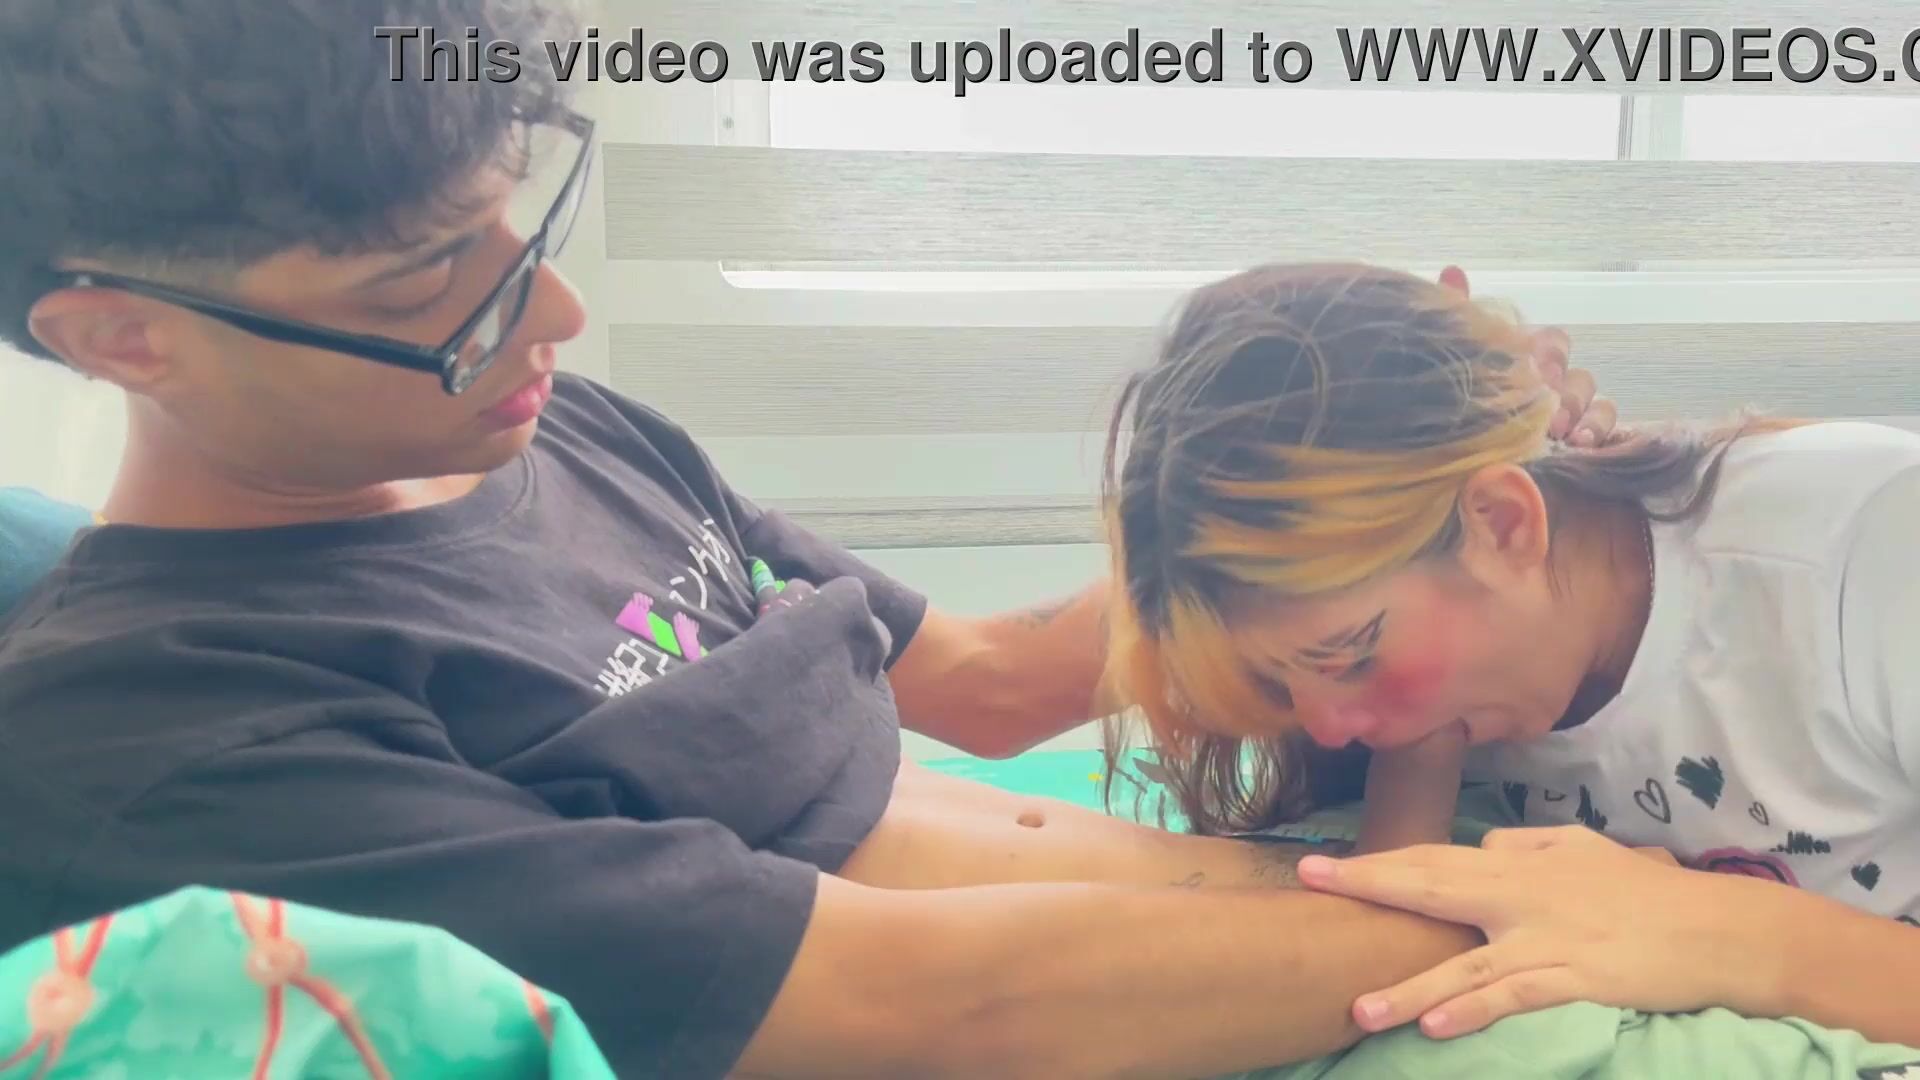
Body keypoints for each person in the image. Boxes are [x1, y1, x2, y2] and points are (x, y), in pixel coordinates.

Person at [0, 5, 1623, 1079]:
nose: (551, 311)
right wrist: (1550, 923)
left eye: (516, 217)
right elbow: (932, 1009)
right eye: (426, 282)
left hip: (1313, 940)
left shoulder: (542, 427)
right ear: (124, 338)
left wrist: (1352, 499)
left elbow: (983, 683)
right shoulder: (178, 738)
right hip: (1187, 1017)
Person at [1095, 260, 1920, 1053]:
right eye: (1283, 684)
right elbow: (1386, 931)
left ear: (1503, 522)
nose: (1328, 728)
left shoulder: (1869, 545)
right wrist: (1415, 763)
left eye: (1352, 654)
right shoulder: (1455, 689)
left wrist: (1719, 934)